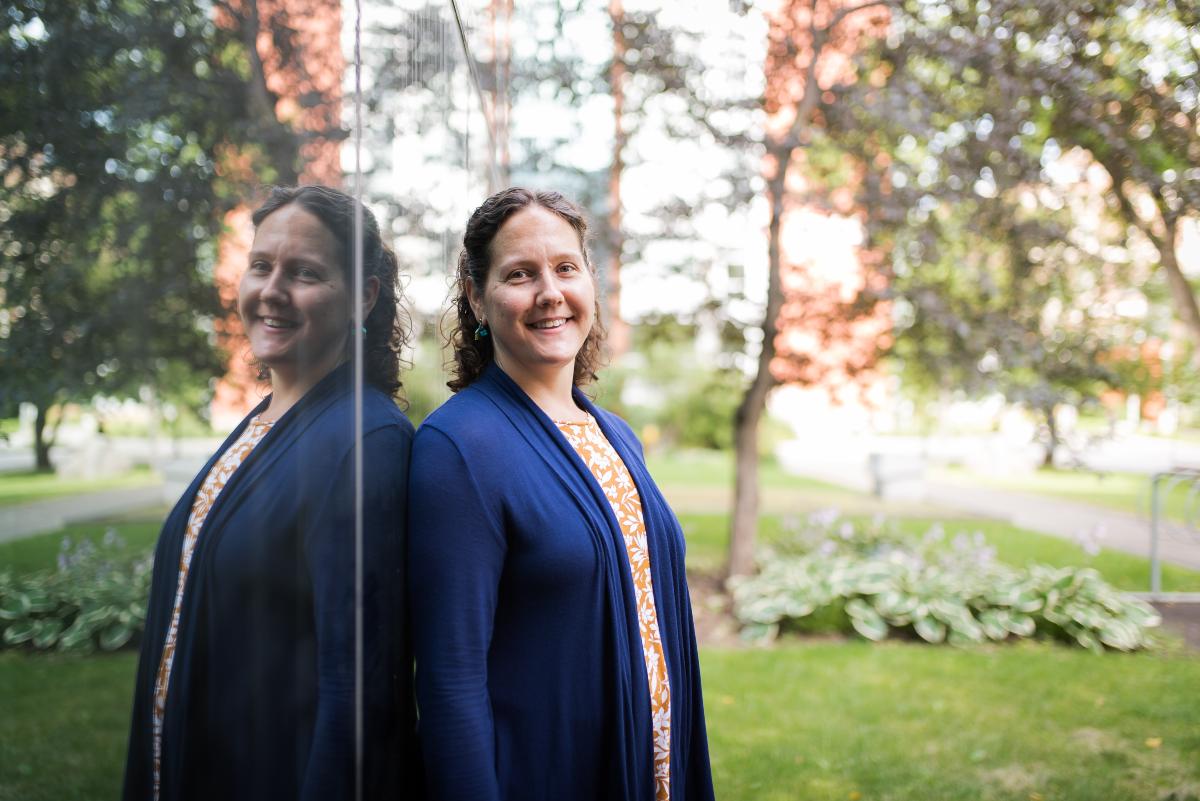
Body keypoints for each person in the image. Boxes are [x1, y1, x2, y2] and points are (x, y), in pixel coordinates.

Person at [408, 187, 715, 801]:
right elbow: (449, 681)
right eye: (520, 274)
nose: (549, 292)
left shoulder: (615, 433)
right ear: (476, 296)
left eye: (566, 268)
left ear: (590, 283)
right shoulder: (460, 447)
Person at [122, 185, 416, 801]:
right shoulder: (263, 422)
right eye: (261, 266)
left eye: (304, 273)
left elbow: (360, 689)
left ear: (363, 296)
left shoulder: (366, 443)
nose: (271, 291)